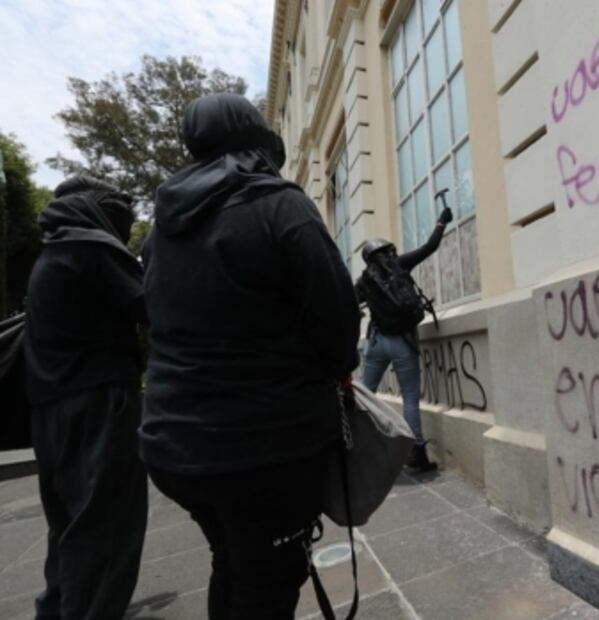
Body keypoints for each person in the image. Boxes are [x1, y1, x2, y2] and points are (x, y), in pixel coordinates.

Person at [139, 94, 360, 619]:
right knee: (268, 584)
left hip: (173, 444)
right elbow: (336, 316)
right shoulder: (278, 202)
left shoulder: (160, 230)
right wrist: (337, 368)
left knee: (233, 562)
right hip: (262, 448)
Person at [23, 176, 148, 620]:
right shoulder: (93, 247)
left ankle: (57, 611)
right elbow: (151, 305)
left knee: (70, 527)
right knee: (107, 529)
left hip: (50, 406)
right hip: (98, 403)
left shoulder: (53, 251)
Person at [356, 204, 453, 472]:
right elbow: (430, 247)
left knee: (365, 393)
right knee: (410, 397)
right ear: (388, 252)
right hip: (403, 342)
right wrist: (441, 222)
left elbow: (349, 302)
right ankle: (417, 454)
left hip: (376, 342)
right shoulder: (399, 265)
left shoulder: (364, 280)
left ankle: (359, 447)